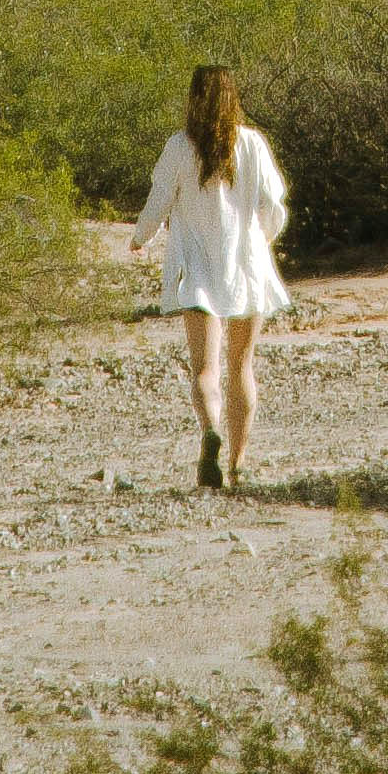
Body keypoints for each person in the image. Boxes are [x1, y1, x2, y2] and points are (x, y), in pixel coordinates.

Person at [132, 62, 291, 489]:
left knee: (204, 367)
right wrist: (261, 241)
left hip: (197, 270)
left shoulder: (179, 147)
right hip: (249, 267)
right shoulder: (254, 145)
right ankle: (238, 463)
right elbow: (274, 205)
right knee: (242, 366)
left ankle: (210, 432)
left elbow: (158, 201)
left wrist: (139, 237)